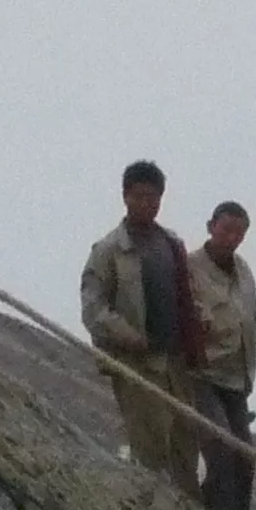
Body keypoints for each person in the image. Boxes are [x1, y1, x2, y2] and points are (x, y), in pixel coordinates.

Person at [79, 160, 205, 491]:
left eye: (154, 197)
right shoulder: (109, 250)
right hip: (137, 364)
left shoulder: (171, 244)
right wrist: (131, 337)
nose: (147, 203)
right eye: (140, 196)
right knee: (150, 448)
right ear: (126, 196)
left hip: (176, 363)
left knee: (186, 445)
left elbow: (187, 294)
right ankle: (149, 507)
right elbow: (94, 309)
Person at [188, 200, 256, 510]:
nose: (232, 238)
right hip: (203, 375)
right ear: (210, 227)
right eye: (226, 229)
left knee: (246, 457)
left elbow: (252, 322)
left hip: (236, 379)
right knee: (219, 447)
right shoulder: (190, 268)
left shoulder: (244, 272)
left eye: (239, 233)